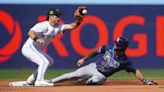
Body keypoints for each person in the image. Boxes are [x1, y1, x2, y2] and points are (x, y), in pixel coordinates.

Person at [10, 6, 86, 87]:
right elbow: (30, 32)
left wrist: (79, 19)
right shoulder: (43, 25)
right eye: (57, 16)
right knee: (44, 62)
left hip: (37, 50)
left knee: (49, 61)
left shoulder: (58, 27)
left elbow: (72, 26)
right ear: (51, 17)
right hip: (29, 48)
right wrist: (37, 39)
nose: (59, 18)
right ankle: (39, 81)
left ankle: (30, 81)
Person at [50, 37, 158, 85]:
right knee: (72, 75)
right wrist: (84, 59)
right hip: (93, 67)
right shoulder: (107, 48)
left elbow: (135, 70)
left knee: (94, 80)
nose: (115, 44)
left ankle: (80, 83)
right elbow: (95, 52)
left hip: (102, 76)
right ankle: (50, 81)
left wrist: (144, 80)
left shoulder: (125, 61)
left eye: (117, 43)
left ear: (122, 47)